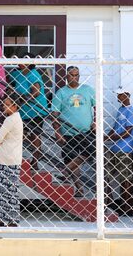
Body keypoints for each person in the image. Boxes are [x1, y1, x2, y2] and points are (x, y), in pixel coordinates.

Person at [51, 66, 96, 198]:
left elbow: (97, 106)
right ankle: (79, 189)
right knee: (70, 158)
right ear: (66, 76)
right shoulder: (61, 93)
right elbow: (54, 114)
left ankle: (66, 170)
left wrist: (96, 122)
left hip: (86, 131)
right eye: (71, 75)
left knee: (91, 151)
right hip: (68, 133)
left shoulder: (87, 90)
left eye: (77, 75)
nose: (74, 77)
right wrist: (57, 132)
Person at [0, 96, 24, 228]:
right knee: (11, 190)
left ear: (14, 106)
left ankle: (0, 219)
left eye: (7, 104)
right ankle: (11, 219)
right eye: (4, 104)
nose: (4, 106)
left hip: (5, 158)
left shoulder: (10, 120)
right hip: (14, 157)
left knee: (0, 190)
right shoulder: (17, 119)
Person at [9, 61, 48, 170]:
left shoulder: (33, 73)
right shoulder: (19, 73)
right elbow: (8, 80)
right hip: (23, 111)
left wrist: (24, 99)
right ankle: (35, 153)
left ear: (29, 63)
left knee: (35, 133)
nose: (19, 63)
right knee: (22, 133)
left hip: (36, 110)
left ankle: (35, 161)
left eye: (23, 61)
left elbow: (36, 92)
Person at [105, 89, 133, 212]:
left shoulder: (130, 110)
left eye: (121, 94)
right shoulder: (120, 110)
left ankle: (126, 207)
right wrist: (107, 136)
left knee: (125, 179)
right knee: (106, 174)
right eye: (118, 94)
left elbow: (128, 131)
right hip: (114, 147)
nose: (118, 96)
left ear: (127, 95)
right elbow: (116, 127)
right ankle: (110, 201)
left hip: (125, 148)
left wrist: (112, 137)